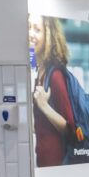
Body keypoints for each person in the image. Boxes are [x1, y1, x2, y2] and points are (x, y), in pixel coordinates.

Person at [33, 18, 78, 168]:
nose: (30, 34)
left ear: (49, 36)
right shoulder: (39, 73)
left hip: (56, 163)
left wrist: (44, 106)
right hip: (42, 160)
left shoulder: (55, 75)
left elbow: (70, 128)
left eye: (37, 30)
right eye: (28, 28)